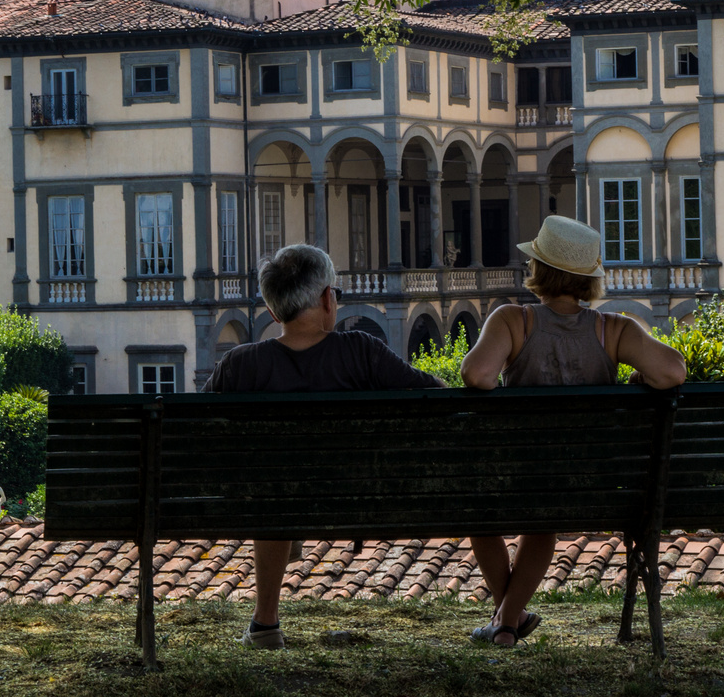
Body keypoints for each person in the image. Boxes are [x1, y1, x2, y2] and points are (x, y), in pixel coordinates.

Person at [459, 215, 687, 648]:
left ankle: (505, 622)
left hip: (515, 478)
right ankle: (507, 622)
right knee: (545, 515)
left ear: (539, 269)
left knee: (481, 513)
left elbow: (476, 375)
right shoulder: (614, 330)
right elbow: (672, 371)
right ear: (589, 279)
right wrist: (640, 380)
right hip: (591, 485)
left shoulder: (513, 320)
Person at [203, 243, 443, 649]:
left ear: (275, 312)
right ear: (329, 299)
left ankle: (265, 623)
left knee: (274, 489)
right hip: (356, 497)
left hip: (267, 502)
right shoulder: (361, 351)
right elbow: (434, 394)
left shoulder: (240, 364)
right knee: (280, 488)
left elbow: (193, 427)